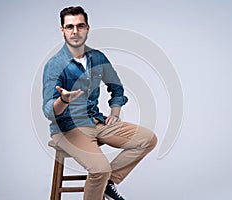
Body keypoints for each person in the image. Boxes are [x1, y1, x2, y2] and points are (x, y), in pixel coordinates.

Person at [42, 6, 157, 200]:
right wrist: (63, 100)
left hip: (96, 120)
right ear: (62, 30)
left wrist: (115, 113)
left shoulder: (97, 57)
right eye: (69, 27)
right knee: (99, 169)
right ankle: (103, 179)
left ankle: (107, 183)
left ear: (87, 28)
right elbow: (48, 110)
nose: (75, 31)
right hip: (67, 129)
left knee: (147, 139)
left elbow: (116, 86)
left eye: (80, 26)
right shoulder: (54, 65)